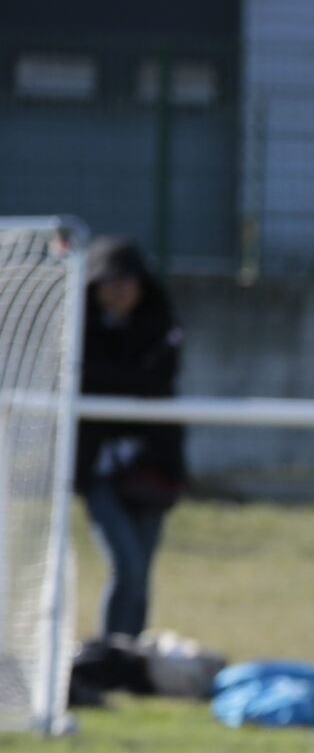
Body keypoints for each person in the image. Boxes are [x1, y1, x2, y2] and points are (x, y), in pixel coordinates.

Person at [75, 237, 185, 641]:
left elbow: (158, 380)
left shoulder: (161, 325)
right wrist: (126, 378)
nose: (119, 290)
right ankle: (111, 652)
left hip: (152, 467)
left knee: (143, 569)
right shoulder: (76, 330)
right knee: (127, 563)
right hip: (99, 469)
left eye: (128, 280)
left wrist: (106, 376)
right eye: (109, 281)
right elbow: (81, 376)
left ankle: (130, 654)